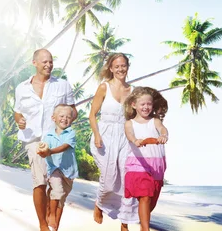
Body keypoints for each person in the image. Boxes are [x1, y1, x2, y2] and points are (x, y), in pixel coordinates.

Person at [14, 49, 77, 231]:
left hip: (57, 140)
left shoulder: (63, 85)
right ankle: (43, 224)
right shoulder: (22, 88)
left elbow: (74, 111)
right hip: (34, 139)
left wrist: (63, 123)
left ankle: (52, 211)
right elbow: (17, 111)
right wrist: (19, 120)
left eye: (50, 61)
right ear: (34, 63)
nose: (48, 65)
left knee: (59, 186)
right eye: (44, 62)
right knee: (39, 181)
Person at [89, 53, 139, 229]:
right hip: (105, 135)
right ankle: (99, 203)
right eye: (117, 66)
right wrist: (96, 135)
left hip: (125, 137)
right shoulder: (104, 87)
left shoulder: (133, 91)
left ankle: (125, 222)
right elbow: (92, 115)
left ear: (127, 66)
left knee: (127, 180)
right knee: (109, 178)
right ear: (111, 68)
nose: (120, 69)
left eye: (123, 65)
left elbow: (136, 117)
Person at [122, 87, 169, 231]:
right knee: (144, 196)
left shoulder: (154, 121)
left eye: (149, 104)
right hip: (138, 164)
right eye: (142, 104)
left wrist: (163, 135)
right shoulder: (130, 123)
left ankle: (130, 222)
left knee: (150, 202)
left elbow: (162, 129)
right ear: (134, 105)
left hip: (156, 166)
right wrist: (135, 140)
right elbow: (129, 134)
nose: (146, 107)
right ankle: (145, 229)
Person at [37, 104, 78, 231]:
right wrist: (44, 151)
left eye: (68, 117)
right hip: (54, 169)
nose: (65, 119)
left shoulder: (71, 133)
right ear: (53, 118)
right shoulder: (48, 136)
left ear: (71, 119)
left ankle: (52, 215)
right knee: (58, 191)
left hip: (68, 172)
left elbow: (65, 146)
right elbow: (44, 149)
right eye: (61, 116)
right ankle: (52, 216)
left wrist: (50, 152)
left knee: (60, 198)